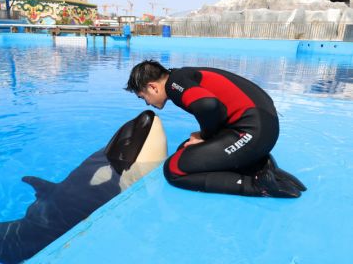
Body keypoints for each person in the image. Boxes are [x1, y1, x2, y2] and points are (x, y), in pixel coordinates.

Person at [125, 60, 306, 198]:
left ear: (152, 87)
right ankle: (263, 168)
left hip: (252, 133)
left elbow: (208, 104)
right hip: (264, 130)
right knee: (186, 148)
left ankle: (258, 186)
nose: (148, 103)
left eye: (143, 97)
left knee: (173, 169)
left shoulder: (174, 85)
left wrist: (206, 136)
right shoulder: (182, 76)